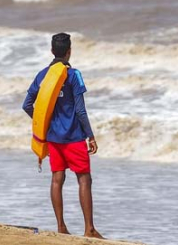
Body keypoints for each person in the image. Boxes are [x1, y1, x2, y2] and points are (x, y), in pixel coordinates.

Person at [22, 32, 103, 239]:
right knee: (84, 179)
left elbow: (27, 105)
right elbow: (80, 110)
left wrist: (45, 125)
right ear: (69, 52)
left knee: (57, 179)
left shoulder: (42, 76)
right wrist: (90, 136)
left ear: (52, 51)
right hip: (74, 137)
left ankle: (61, 227)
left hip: (53, 138)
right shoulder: (73, 75)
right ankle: (89, 229)